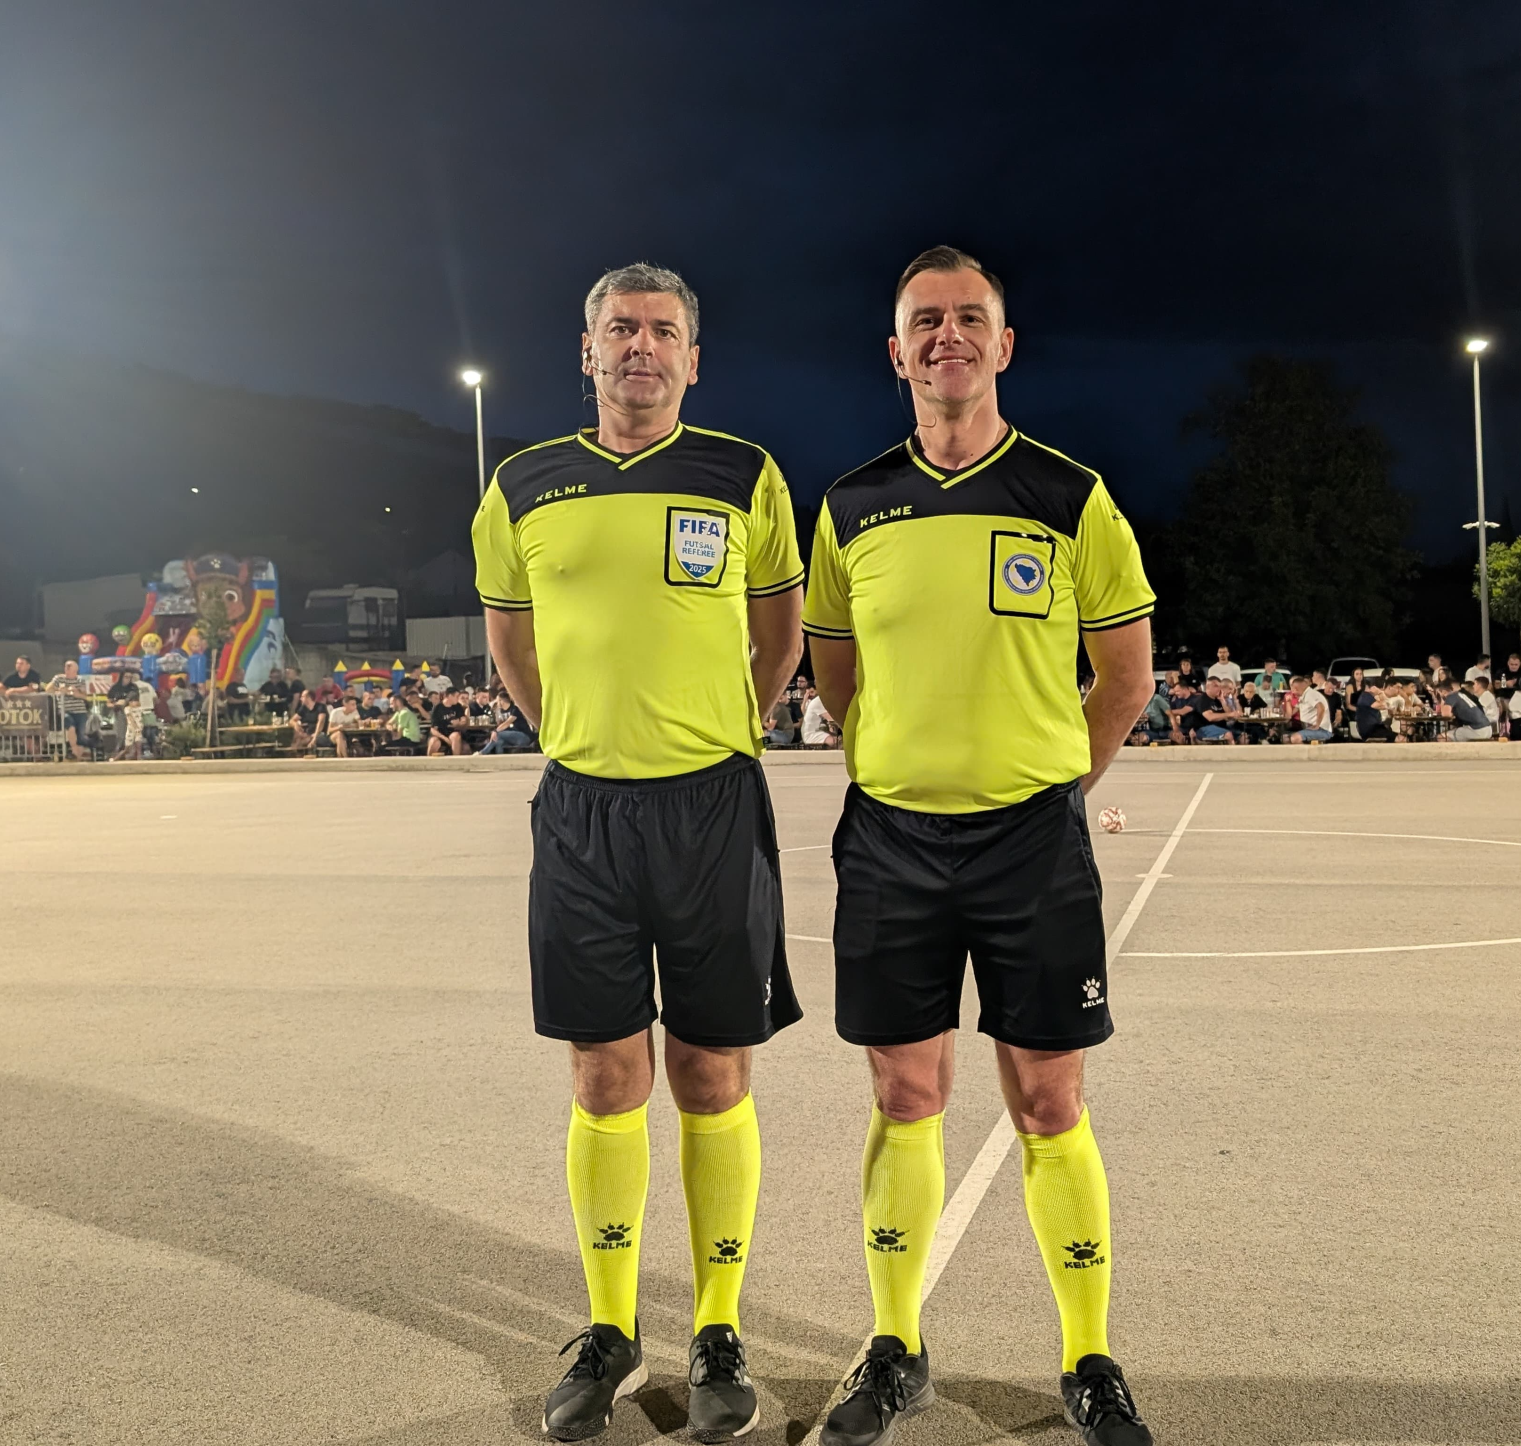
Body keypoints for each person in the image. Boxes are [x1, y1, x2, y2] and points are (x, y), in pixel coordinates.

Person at [803, 246, 1157, 1446]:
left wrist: (1049, 786)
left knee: (1048, 1100)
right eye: (924, 321)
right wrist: (901, 759)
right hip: (891, 842)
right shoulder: (851, 506)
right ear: (895, 352)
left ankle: (1089, 1358)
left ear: (1003, 345)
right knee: (906, 1092)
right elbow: (836, 676)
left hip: (1031, 845)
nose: (945, 336)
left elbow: (1124, 678)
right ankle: (894, 1345)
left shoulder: (1071, 497)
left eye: (969, 318)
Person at [474, 262, 805, 1441]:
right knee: (605, 1075)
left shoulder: (744, 475)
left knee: (712, 1073)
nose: (642, 347)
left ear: (692, 358)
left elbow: (779, 632)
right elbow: (511, 640)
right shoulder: (522, 484)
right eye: (621, 329)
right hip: (583, 814)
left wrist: (719, 728)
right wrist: (574, 732)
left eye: (664, 331)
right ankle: (610, 1327)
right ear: (588, 350)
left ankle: (718, 1327)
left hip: (712, 807)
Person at [47, 658, 92, 760]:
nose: (67, 669)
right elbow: (48, 689)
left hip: (80, 710)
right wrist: (59, 690)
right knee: (70, 727)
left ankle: (77, 757)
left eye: (69, 667)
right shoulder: (59, 679)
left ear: (75, 670)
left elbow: (86, 696)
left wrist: (77, 694)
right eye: (66, 667)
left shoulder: (80, 680)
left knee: (80, 734)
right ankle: (74, 751)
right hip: (65, 710)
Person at [1282, 672, 1332, 744]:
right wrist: (1288, 702)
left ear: (1296, 689)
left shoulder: (1310, 694)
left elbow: (1321, 708)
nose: (1292, 692)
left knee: (1295, 738)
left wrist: (1317, 725)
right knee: (1286, 739)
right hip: (1308, 728)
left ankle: (1307, 752)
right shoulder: (1303, 696)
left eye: (1292, 689)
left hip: (1322, 730)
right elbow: (1290, 715)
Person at [1447, 676, 1494, 742]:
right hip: (1484, 726)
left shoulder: (1485, 695)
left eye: (1475, 684)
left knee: (1446, 735)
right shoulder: (1474, 697)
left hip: (1482, 726)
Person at [800, 683, 842, 748]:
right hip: (811, 734)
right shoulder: (818, 701)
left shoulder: (822, 700)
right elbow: (831, 719)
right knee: (834, 741)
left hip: (817, 731)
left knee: (838, 739)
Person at [289, 689, 327, 754]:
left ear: (308, 698)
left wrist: (314, 737)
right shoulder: (304, 708)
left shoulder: (320, 707)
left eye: (302, 697)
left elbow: (321, 722)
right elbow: (291, 720)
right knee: (297, 737)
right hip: (307, 733)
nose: (301, 699)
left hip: (319, 734)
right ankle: (296, 754)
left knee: (300, 742)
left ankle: (294, 754)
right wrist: (296, 724)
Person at [325, 694, 359, 758]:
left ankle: (341, 758)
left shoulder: (355, 712)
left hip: (348, 735)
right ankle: (346, 757)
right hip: (333, 736)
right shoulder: (335, 712)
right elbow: (329, 729)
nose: (355, 707)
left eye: (355, 704)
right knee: (339, 734)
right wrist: (338, 728)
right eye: (352, 705)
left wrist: (348, 725)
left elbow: (358, 724)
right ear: (345, 704)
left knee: (341, 739)